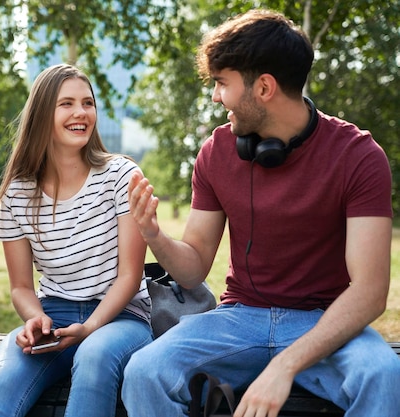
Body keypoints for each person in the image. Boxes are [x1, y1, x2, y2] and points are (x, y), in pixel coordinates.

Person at [121, 9, 400, 417]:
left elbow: (370, 292)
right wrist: (154, 235)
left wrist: (284, 366)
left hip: (323, 322)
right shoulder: (215, 152)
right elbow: (194, 268)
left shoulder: (359, 156)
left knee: (382, 374)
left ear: (264, 87)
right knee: (145, 371)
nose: (215, 97)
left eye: (222, 84)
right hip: (239, 319)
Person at [0, 63, 152, 417]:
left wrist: (89, 328)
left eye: (87, 103)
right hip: (52, 316)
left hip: (122, 318)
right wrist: (35, 320)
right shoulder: (18, 192)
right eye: (66, 104)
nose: (81, 113)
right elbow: (21, 287)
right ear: (42, 115)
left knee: (93, 356)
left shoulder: (121, 176)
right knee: (3, 386)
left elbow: (130, 277)